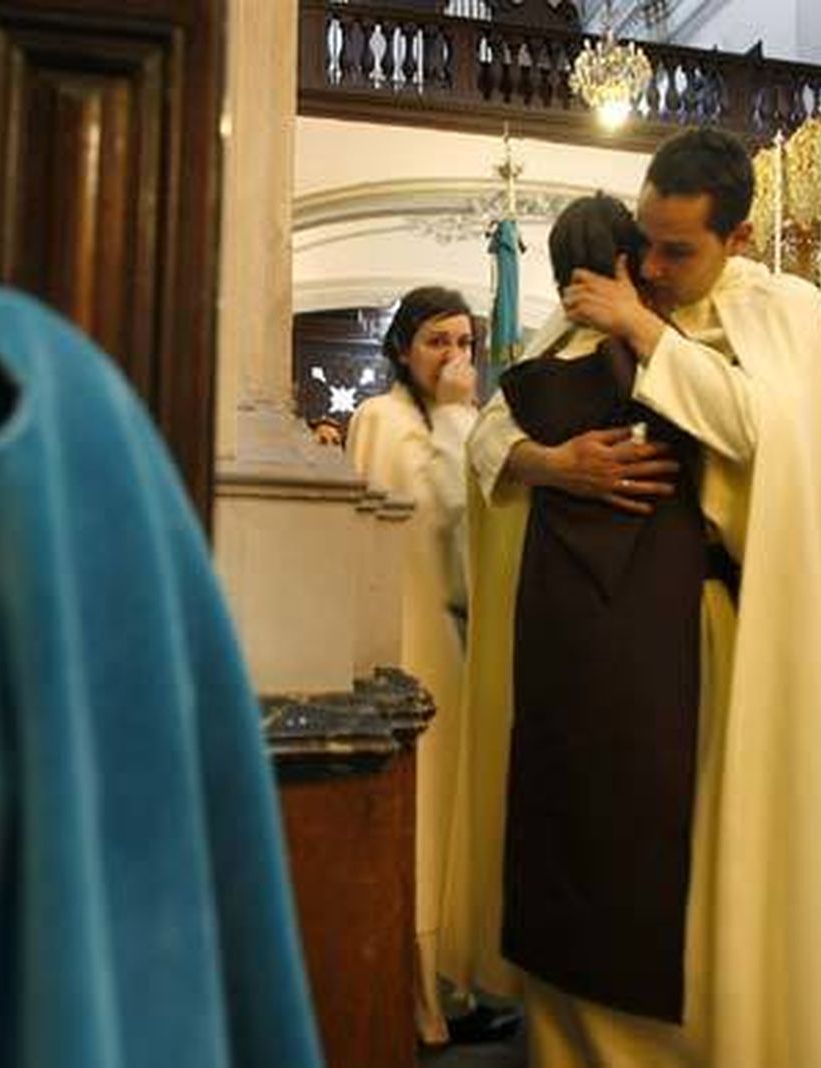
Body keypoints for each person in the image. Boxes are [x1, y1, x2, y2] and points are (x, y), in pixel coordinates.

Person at [463, 128, 821, 1067]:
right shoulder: (607, 301)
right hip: (594, 651)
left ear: (740, 237)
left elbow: (759, 432)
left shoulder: (780, 310)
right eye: (646, 241)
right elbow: (487, 433)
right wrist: (551, 463)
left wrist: (643, 332)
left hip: (721, 648)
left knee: (704, 875)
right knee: (588, 848)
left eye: (678, 251)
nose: (653, 267)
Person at [479, 194, 710, 1027]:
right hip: (612, 608)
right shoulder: (566, 347)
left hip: (625, 603)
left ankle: (595, 995)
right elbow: (487, 439)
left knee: (607, 790)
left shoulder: (680, 338)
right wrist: (552, 463)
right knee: (601, 790)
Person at [344, 287, 482, 1047]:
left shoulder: (461, 420)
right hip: (405, 635)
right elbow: (417, 512)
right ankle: (417, 1000)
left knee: (453, 813)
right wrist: (458, 423)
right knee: (420, 817)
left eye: (464, 343)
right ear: (403, 348)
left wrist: (462, 419)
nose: (452, 357)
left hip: (452, 640)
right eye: (436, 341)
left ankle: (452, 989)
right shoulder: (380, 418)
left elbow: (475, 524)